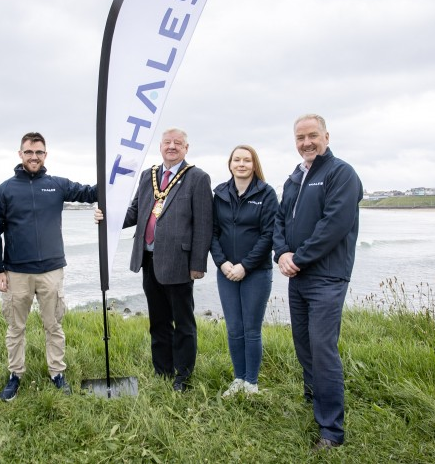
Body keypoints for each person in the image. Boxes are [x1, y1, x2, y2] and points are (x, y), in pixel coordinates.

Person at [273, 114, 363, 450]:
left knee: (323, 349)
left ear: (326, 135)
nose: (306, 143)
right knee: (304, 345)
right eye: (300, 138)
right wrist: (281, 253)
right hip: (298, 276)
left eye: (312, 135)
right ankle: (315, 401)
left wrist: (298, 258)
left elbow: (334, 225)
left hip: (327, 276)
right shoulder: (294, 178)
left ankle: (331, 432)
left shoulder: (341, 174)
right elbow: (280, 220)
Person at [0, 132, 97, 401]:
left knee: (54, 326)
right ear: (20, 154)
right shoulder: (5, 190)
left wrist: (116, 176)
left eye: (39, 152)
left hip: (51, 270)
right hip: (16, 271)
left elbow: (90, 193)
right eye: (29, 152)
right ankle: (15, 374)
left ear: (45, 155)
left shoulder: (57, 185)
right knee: (16, 328)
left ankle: (57, 373)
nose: (34, 157)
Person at [110, 128, 213, 392]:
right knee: (158, 320)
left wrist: (198, 265)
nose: (172, 146)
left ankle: (184, 376)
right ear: (160, 146)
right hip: (148, 259)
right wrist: (109, 220)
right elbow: (135, 211)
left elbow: (203, 224)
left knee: (184, 322)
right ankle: (163, 371)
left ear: (186, 148)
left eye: (178, 143)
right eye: (167, 142)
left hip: (179, 262)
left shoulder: (197, 178)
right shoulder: (149, 175)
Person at [210, 145, 278, 397]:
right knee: (234, 328)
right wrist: (222, 263)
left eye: (246, 160)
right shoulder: (219, 194)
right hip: (226, 271)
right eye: (236, 160)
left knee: (251, 329)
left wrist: (245, 266)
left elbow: (269, 235)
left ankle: (251, 383)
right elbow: (212, 232)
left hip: (256, 272)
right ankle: (238, 378)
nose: (241, 164)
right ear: (230, 164)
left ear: (254, 164)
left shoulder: (267, 193)